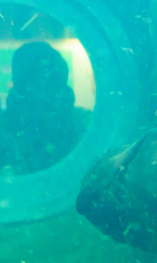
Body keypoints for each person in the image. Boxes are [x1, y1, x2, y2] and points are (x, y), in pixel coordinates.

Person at [0, 41, 90, 175]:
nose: (36, 94)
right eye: (27, 83)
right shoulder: (4, 128)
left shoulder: (82, 124)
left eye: (43, 82)